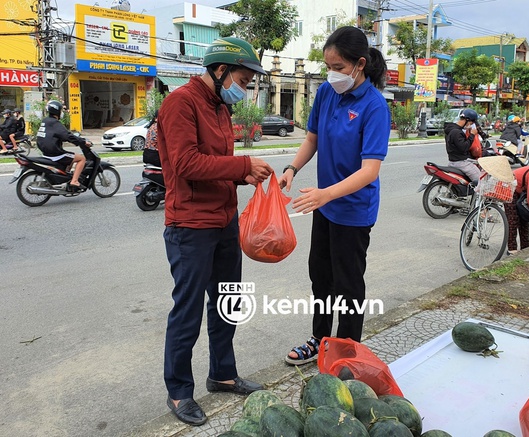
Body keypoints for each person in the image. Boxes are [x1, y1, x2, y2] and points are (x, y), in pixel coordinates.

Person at [156, 36, 273, 426]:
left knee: (228, 303)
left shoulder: (220, 107)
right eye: (242, 78)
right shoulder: (179, 104)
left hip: (224, 221)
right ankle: (179, 392)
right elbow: (187, 163)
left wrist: (246, 175)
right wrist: (242, 167)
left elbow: (217, 164)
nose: (246, 87)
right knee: (187, 312)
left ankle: (222, 373)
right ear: (220, 70)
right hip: (190, 226)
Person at [278, 26, 391, 366]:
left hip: (353, 211)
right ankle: (320, 339)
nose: (332, 74)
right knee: (321, 276)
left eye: (338, 67)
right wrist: (292, 168)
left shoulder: (374, 107)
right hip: (324, 207)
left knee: (348, 285)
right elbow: (312, 138)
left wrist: (327, 194)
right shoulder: (328, 93)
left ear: (359, 64)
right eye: (328, 66)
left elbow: (369, 170)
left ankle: (346, 351)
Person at [36, 100, 90, 189]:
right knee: (81, 159)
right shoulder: (55, 123)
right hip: (55, 153)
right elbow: (67, 135)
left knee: (70, 156)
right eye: (61, 111)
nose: (62, 113)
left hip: (46, 152)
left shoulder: (45, 121)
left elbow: (54, 135)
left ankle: (66, 176)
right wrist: (83, 142)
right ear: (57, 111)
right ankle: (74, 181)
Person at [444, 108, 482, 185]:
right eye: (471, 123)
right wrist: (472, 135)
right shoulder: (457, 132)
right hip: (461, 162)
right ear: (467, 120)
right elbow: (464, 147)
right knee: (480, 180)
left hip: (453, 160)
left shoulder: (451, 129)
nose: (470, 125)